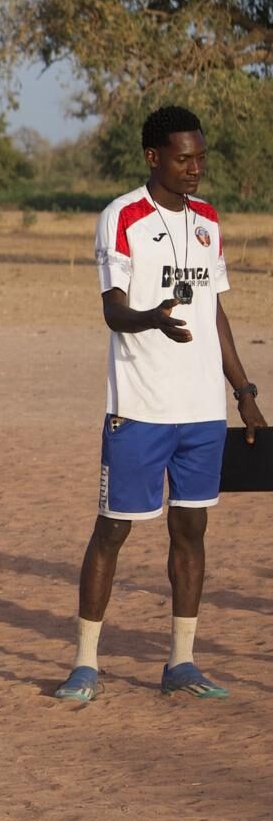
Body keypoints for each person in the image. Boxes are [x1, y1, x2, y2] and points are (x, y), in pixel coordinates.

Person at [53, 106, 265, 702]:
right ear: (154, 157)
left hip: (201, 410)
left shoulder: (208, 220)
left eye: (200, 157)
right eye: (183, 158)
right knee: (114, 529)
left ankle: (181, 662)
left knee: (191, 528)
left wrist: (243, 393)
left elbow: (214, 310)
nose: (195, 168)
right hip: (140, 407)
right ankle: (86, 664)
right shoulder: (122, 217)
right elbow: (112, 309)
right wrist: (150, 318)